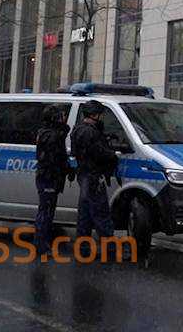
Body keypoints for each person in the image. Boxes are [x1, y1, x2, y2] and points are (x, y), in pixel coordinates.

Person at [69, 101, 119, 239]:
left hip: (84, 173)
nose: (101, 118)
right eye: (100, 114)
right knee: (101, 212)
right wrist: (112, 155)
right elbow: (99, 152)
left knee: (85, 213)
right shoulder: (90, 132)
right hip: (93, 176)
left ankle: (83, 247)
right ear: (94, 115)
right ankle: (109, 246)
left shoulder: (78, 129)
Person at [32, 106, 73, 257]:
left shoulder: (51, 133)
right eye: (61, 116)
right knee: (45, 211)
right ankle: (41, 245)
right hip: (48, 177)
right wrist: (66, 169)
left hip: (50, 177)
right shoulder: (51, 136)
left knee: (48, 211)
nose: (64, 118)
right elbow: (55, 159)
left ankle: (44, 242)